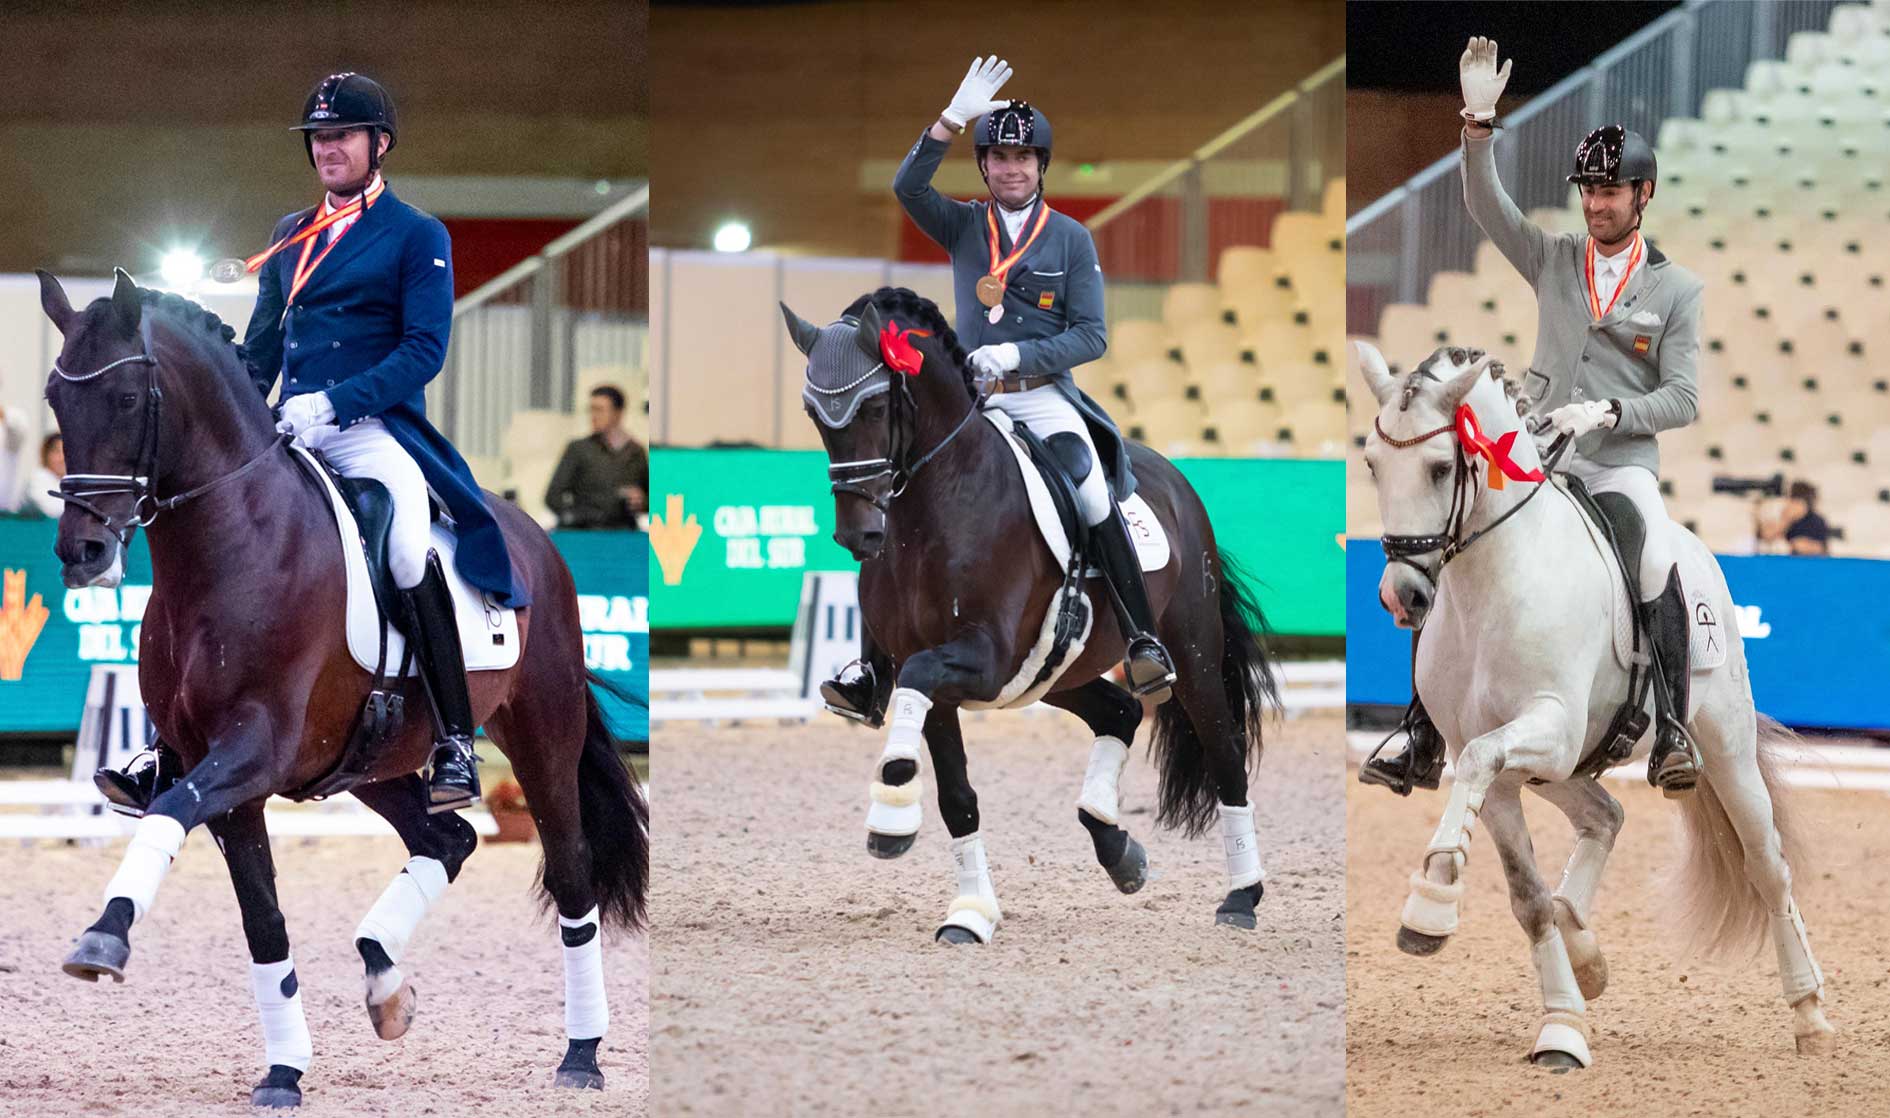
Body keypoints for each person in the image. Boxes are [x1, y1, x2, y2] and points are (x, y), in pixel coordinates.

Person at [97, 72, 527, 816]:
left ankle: (456, 739)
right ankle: (172, 746)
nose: (328, 148)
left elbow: (424, 350)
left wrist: (337, 401)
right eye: (320, 139)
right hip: (288, 429)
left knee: (403, 544)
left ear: (378, 144)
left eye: (343, 136)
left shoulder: (417, 234)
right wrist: (241, 416)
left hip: (372, 429)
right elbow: (259, 350)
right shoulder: (288, 233)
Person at [1363, 37, 1706, 797]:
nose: (1596, 203)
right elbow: (1486, 206)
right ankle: (1421, 729)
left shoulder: (1677, 290)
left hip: (1617, 465)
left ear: (1642, 195)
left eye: (1611, 192)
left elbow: (1683, 398)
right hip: (1537, 458)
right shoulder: (1554, 258)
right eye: (1588, 190)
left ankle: (1674, 730)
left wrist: (1611, 410)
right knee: (1443, 549)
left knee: (1654, 558)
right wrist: (1478, 125)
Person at [819, 56, 1177, 723]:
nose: (1012, 168)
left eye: (1023, 157)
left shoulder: (1069, 239)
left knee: (1091, 489)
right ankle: (872, 666)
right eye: (999, 157)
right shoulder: (961, 226)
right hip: (972, 402)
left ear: (1041, 166)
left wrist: (1018, 352)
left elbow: (1092, 336)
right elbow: (906, 185)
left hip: (1041, 395)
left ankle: (1141, 636)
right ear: (983, 167)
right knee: (892, 493)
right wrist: (951, 119)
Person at [545, 385, 648, 528]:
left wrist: (641, 501)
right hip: (586, 534)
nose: (594, 416)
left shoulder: (636, 452)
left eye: (599, 410)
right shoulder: (579, 449)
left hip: (623, 535)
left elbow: (653, 499)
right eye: (591, 409)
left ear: (618, 413)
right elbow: (552, 496)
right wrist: (577, 517)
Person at [27, 433, 64, 519]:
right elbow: (51, 510)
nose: (62, 458)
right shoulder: (37, 479)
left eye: (66, 452)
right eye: (57, 452)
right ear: (46, 454)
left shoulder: (72, 481)